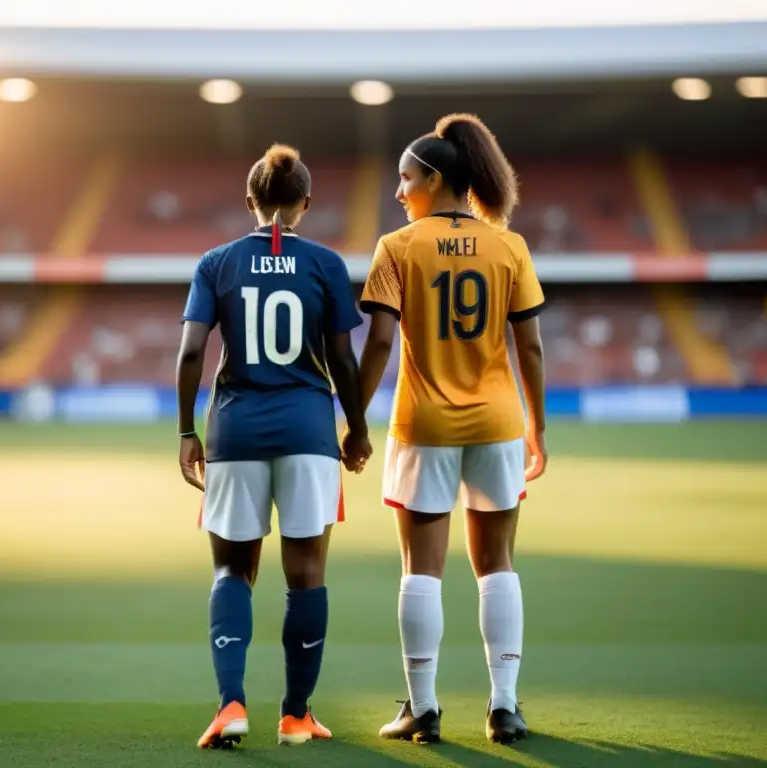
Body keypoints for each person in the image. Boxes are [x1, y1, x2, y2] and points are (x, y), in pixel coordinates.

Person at [355, 114, 548, 745]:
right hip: (498, 423)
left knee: (421, 569)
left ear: (434, 179)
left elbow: (380, 340)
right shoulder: (509, 246)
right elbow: (532, 348)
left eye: (405, 179)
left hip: (424, 424)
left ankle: (424, 707)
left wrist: (354, 420)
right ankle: (505, 705)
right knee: (498, 566)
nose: (398, 192)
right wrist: (537, 431)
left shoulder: (398, 246)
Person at [176, 144, 372, 749]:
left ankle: (231, 704)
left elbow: (190, 353)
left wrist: (187, 431)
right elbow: (342, 358)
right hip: (309, 432)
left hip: (235, 431)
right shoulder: (326, 264)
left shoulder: (217, 262)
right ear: (306, 203)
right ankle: (295, 714)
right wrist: (358, 428)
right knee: (306, 574)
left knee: (232, 569)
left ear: (250, 201)